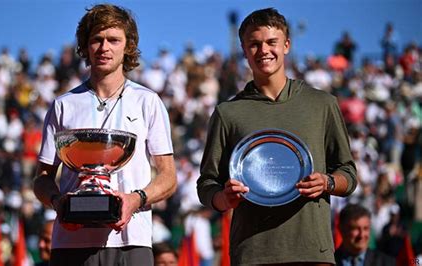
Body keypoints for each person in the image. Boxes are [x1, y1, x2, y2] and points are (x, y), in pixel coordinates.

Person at [197, 8, 357, 265]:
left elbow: (349, 174)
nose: (263, 51)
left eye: (272, 42)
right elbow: (206, 184)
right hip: (252, 253)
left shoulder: (322, 104)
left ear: (287, 45)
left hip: (312, 252)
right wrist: (223, 198)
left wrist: (326, 182)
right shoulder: (227, 113)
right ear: (244, 50)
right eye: (254, 44)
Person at [33, 4, 177, 265]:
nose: (104, 47)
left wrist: (135, 199)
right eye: (96, 40)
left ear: (128, 46)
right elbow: (42, 178)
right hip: (70, 241)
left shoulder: (148, 101)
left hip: (131, 239)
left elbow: (168, 177)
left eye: (113, 40)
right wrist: (58, 202)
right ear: (85, 46)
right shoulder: (63, 104)